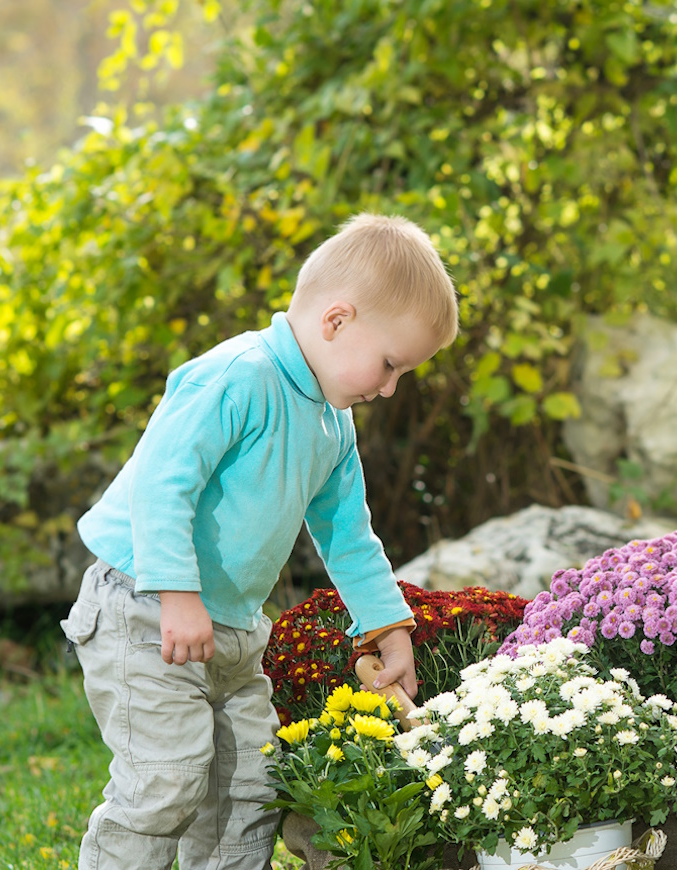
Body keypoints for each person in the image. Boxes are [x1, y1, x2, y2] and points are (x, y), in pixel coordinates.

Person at [60, 213, 458, 869]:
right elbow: (162, 485)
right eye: (389, 366)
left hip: (235, 631)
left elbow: (349, 533)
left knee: (249, 788)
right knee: (167, 783)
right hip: (144, 606)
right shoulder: (236, 377)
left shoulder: (332, 424)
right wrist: (178, 593)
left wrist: (387, 625)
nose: (389, 388)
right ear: (336, 321)